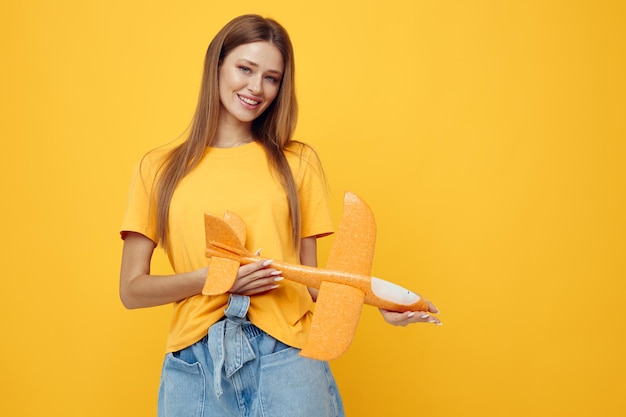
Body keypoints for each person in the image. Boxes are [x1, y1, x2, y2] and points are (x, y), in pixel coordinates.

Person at [119, 14, 440, 417]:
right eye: (245, 69)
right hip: (196, 364)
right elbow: (131, 290)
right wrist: (212, 280)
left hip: (287, 357)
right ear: (216, 65)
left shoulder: (297, 163)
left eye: (271, 78)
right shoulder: (158, 170)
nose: (256, 88)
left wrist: (385, 303)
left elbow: (313, 283)